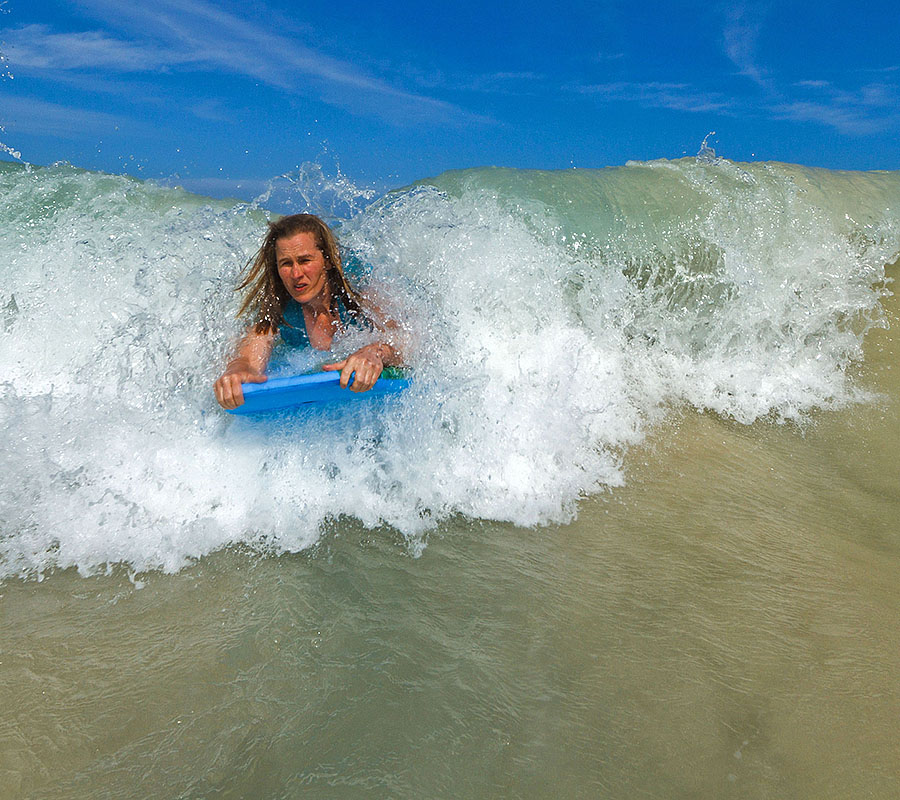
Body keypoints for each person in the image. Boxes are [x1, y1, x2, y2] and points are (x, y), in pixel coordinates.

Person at [214, 213, 405, 410]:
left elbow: (411, 342)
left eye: (305, 260)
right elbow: (249, 360)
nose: (296, 274)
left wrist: (375, 353)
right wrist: (236, 371)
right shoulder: (277, 308)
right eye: (286, 264)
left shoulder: (361, 291)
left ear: (328, 260)